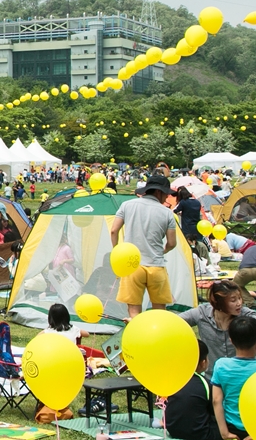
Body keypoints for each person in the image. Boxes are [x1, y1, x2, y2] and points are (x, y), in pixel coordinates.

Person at [109, 175, 178, 318]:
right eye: (166, 193)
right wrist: (163, 251)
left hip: (132, 265)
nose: (167, 197)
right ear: (158, 192)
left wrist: (117, 251)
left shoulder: (127, 205)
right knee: (159, 310)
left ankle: (136, 336)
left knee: (134, 310)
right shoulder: (167, 213)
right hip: (156, 265)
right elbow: (172, 243)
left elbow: (114, 230)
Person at [181, 281, 256, 371]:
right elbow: (175, 321)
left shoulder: (246, 315)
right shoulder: (201, 313)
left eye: (239, 298)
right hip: (212, 377)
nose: (239, 303)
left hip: (242, 375)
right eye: (233, 300)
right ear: (218, 302)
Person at [165, 340, 219, 440]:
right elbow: (215, 409)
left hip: (173, 430)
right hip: (201, 435)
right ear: (203, 363)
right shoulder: (205, 383)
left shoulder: (175, 379)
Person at [213, 316, 256, 440]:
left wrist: (224, 432)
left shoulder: (221, 365)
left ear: (231, 341)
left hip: (232, 427)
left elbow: (216, 400)